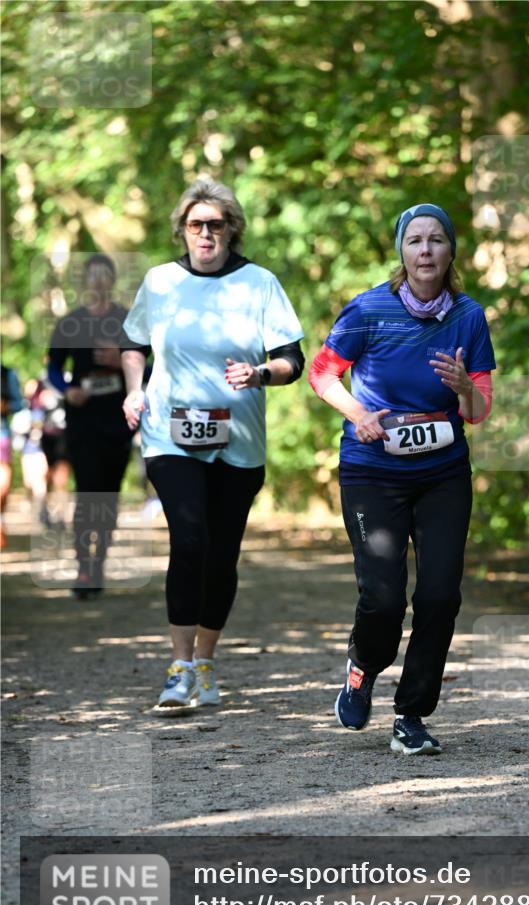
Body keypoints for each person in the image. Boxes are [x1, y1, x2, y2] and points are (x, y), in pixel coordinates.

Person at [309, 203, 495, 755]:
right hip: (373, 472)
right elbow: (322, 373)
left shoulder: (469, 316)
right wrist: (358, 415)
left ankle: (411, 714)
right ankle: (363, 668)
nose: (426, 250)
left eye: (437, 240)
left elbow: (479, 411)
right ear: (402, 252)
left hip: (442, 474)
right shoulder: (368, 309)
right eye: (415, 241)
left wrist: (464, 386)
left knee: (439, 596)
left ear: (450, 251)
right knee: (385, 599)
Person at [121, 177, 305, 714]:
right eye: (196, 224)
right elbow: (132, 343)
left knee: (222, 556)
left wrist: (260, 373)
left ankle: (205, 661)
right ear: (182, 229)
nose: (205, 234)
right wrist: (135, 391)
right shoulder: (159, 282)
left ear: (231, 230)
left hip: (239, 437)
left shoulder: (259, 283)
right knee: (191, 536)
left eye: (215, 225)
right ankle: (178, 667)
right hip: (169, 434)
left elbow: (292, 358)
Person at [48, 254, 134, 597]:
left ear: (112, 280)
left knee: (109, 495)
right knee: (87, 492)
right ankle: (83, 565)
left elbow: (151, 365)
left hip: (118, 420)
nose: (98, 281)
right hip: (82, 422)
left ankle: (100, 563)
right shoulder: (70, 323)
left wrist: (122, 359)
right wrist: (67, 390)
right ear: (85, 281)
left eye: (104, 275)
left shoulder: (127, 321)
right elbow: (53, 367)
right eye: (92, 275)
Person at [19, 376, 69, 528]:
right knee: (44, 477)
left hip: (63, 435)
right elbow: (29, 405)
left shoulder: (68, 377)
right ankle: (45, 512)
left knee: (61, 477)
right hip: (44, 438)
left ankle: (60, 515)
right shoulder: (39, 383)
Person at [0, 363, 23, 548]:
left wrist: (6, 406)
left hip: (2, 435)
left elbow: (19, 403)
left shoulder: (8, 374)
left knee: (3, 487)